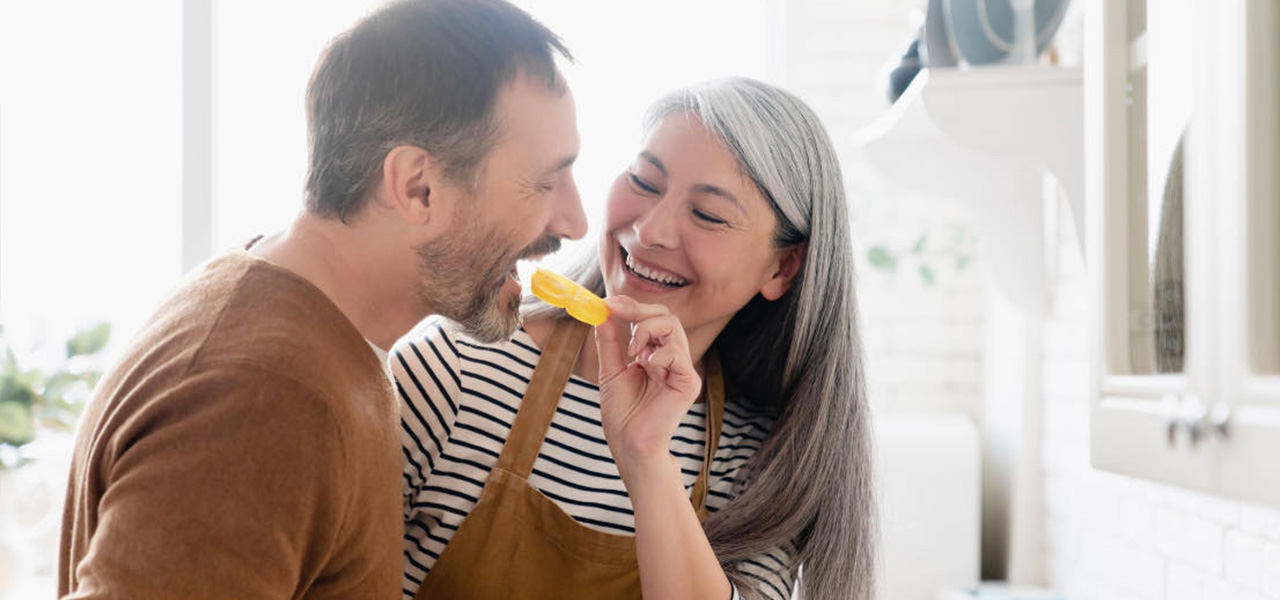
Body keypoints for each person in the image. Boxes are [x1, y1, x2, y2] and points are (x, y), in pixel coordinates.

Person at [58, 0, 585, 598]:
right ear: (418, 188)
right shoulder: (266, 397)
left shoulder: (290, 317)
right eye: (544, 182)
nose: (575, 221)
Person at [395, 77, 875, 600]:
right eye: (645, 182)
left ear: (784, 267)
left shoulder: (760, 466)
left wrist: (646, 459)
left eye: (708, 215)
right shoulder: (458, 368)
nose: (650, 231)